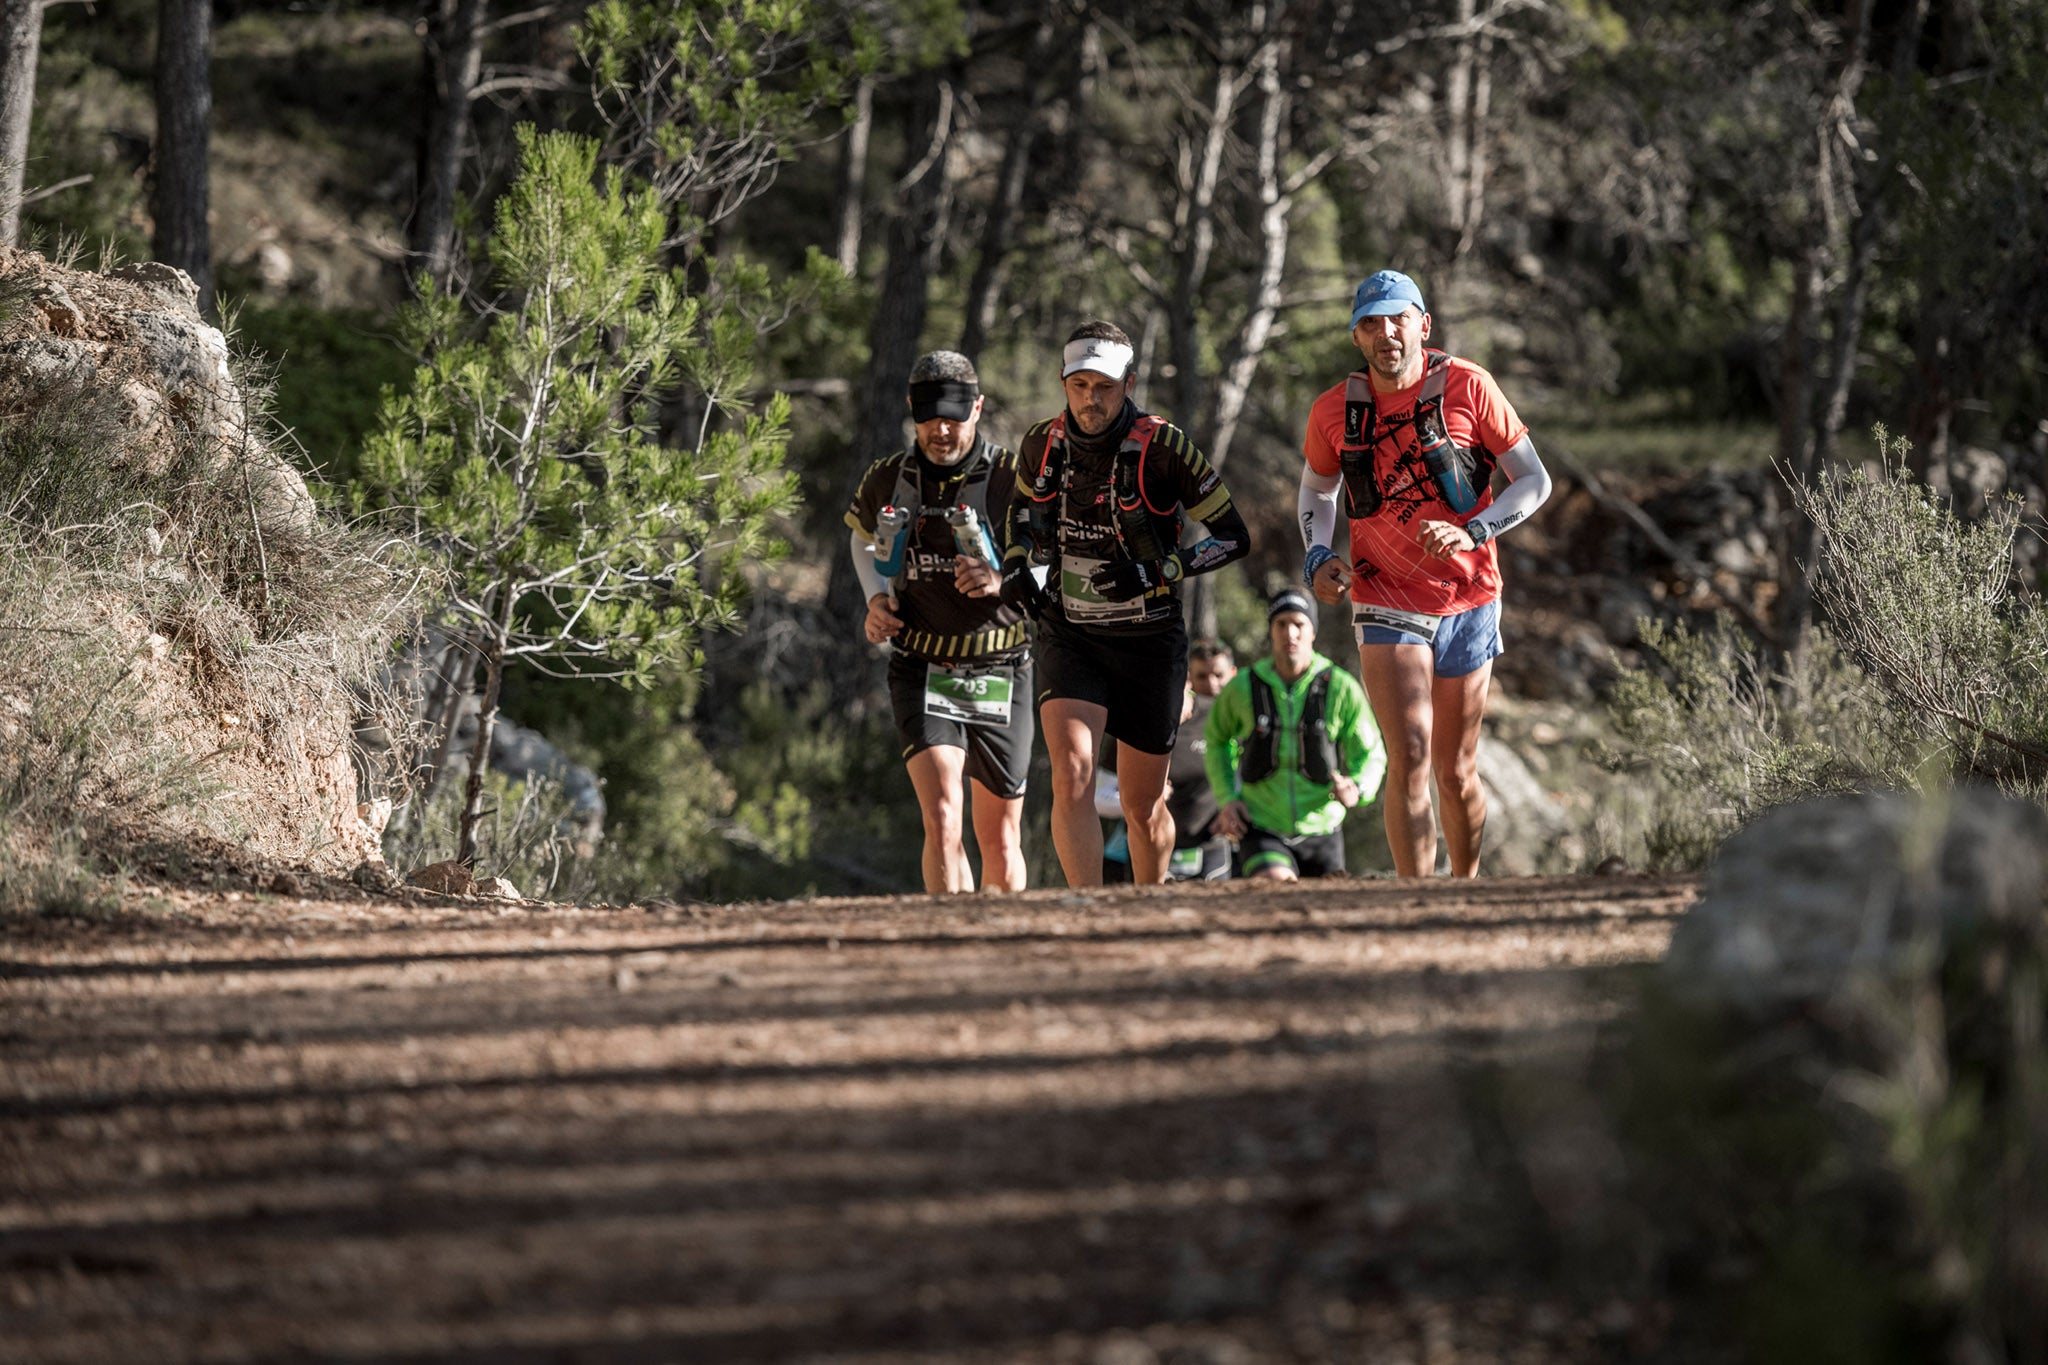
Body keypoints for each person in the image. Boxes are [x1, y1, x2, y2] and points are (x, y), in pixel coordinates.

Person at [1298, 270, 1552, 877]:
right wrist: (1317, 554)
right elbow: (1316, 490)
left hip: (1469, 596)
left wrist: (1474, 530)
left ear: (1423, 325)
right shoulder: (1334, 410)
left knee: (1455, 768)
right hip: (1383, 594)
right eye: (1370, 324)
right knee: (1408, 755)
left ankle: (1462, 890)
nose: (1386, 333)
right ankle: (1415, 901)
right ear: (1356, 337)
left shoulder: (1469, 385)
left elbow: (1534, 481)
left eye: (1397, 319)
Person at [1002, 320, 1251, 886]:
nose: (1092, 399)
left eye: (1106, 387)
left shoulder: (1164, 446)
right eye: (1080, 385)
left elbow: (1234, 536)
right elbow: (1021, 515)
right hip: (1071, 633)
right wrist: (1018, 564)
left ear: (1129, 382)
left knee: (1141, 806)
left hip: (1149, 642)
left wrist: (1157, 569)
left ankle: (1148, 901)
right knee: (1072, 775)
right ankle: (1087, 912)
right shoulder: (1042, 443)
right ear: (1064, 381)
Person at [847, 350, 1031, 893]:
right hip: (922, 663)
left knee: (999, 835)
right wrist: (874, 601)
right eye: (929, 417)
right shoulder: (888, 478)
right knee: (944, 814)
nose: (941, 430)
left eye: (954, 416)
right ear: (911, 409)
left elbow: (1050, 555)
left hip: (1003, 663)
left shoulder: (1011, 476)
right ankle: (952, 944)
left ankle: (1006, 952)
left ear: (977, 408)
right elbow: (862, 541)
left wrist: (1004, 581)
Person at [1205, 591, 1386, 880]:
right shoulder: (1242, 687)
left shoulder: (1340, 685)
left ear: (1312, 631)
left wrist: (1358, 787)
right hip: (1263, 826)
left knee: (1327, 912)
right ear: (1271, 630)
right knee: (1276, 885)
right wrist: (1227, 797)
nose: (1290, 633)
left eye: (1299, 624)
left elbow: (1372, 751)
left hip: (1324, 830)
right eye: (1281, 623)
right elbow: (1215, 741)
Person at [1167, 641, 1236, 879]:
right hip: (1159, 843)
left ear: (1233, 674)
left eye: (1218, 675)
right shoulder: (1172, 717)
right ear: (1189, 679)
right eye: (1202, 676)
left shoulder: (1243, 720)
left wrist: (1232, 806)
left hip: (1217, 844)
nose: (1211, 684)